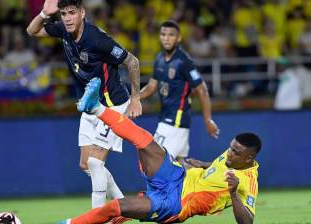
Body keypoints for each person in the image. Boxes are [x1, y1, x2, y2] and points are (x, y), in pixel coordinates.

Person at [60, 77, 261, 224]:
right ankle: (95, 107)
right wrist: (204, 165)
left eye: (235, 152)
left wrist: (233, 194)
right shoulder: (232, 157)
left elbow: (247, 222)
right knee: (145, 141)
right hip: (177, 176)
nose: (229, 153)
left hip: (175, 204)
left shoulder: (248, 182)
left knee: (116, 207)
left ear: (248, 158)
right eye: (230, 148)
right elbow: (221, 168)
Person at [26, 0, 142, 208]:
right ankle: (123, 206)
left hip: (111, 105)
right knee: (85, 164)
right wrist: (44, 13)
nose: (68, 18)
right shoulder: (63, 30)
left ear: (82, 13)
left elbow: (132, 61)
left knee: (96, 163)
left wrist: (135, 99)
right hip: (89, 107)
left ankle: (97, 216)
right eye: (64, 14)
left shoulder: (98, 39)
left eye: (72, 13)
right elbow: (32, 31)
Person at [140, 20, 219, 162]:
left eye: (171, 35)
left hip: (175, 119)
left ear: (179, 38)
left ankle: (212, 172)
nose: (167, 38)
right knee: (179, 166)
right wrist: (134, 97)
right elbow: (152, 87)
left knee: (155, 161)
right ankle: (206, 173)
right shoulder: (159, 58)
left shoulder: (184, 61)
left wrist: (208, 120)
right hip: (166, 117)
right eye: (163, 34)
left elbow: (202, 90)